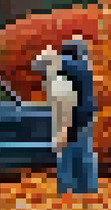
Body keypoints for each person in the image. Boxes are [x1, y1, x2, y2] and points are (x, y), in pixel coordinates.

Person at [32, 37, 98, 195]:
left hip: (72, 116)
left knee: (67, 154)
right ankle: (87, 189)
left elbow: (38, 64)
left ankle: (67, 189)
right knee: (84, 154)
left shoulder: (71, 66)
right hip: (86, 115)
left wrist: (48, 54)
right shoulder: (84, 67)